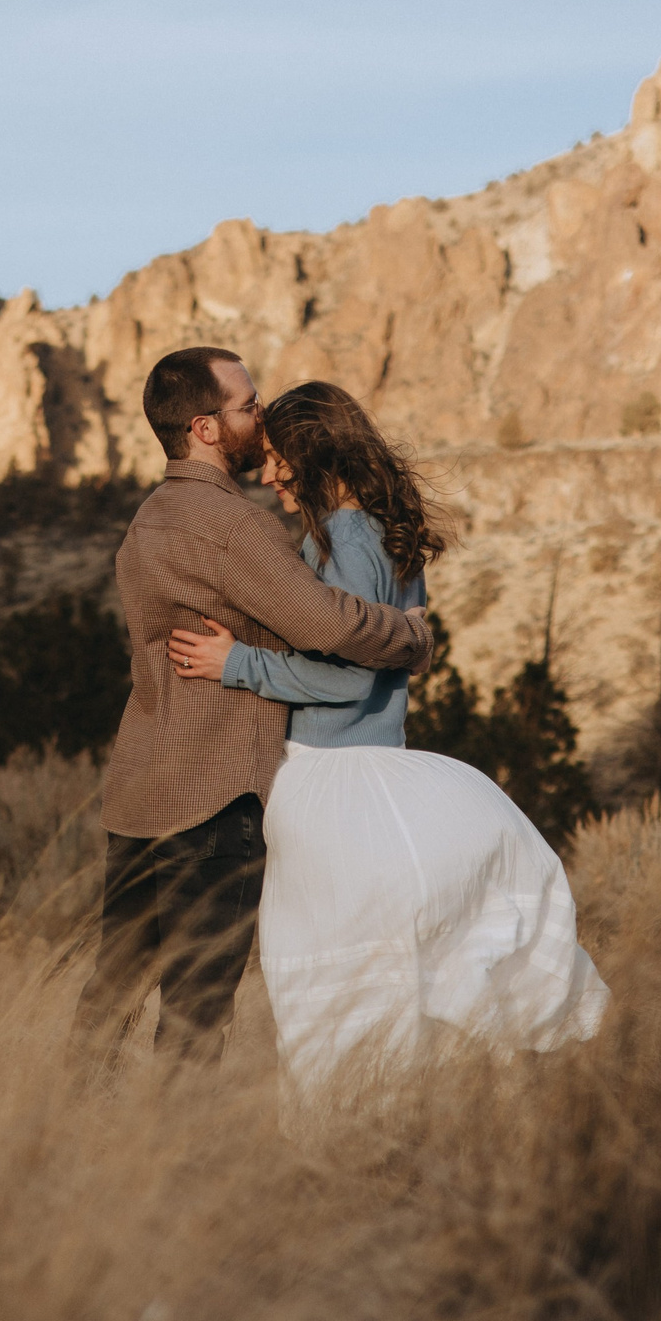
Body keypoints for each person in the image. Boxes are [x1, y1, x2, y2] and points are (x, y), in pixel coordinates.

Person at [167, 381, 607, 1091]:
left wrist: (236, 663)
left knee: (342, 980)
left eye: (281, 459)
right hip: (385, 770)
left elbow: (345, 681)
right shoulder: (380, 531)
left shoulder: (345, 536)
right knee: (411, 969)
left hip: (334, 781)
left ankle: (362, 1136)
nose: (270, 473)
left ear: (315, 455)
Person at [84, 348, 434, 1067]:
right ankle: (179, 1163)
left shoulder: (146, 521)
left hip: (139, 790)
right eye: (247, 406)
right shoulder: (233, 526)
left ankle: (65, 1140)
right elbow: (330, 626)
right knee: (197, 1011)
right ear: (208, 428)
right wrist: (411, 635)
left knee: (109, 994)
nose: (260, 415)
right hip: (216, 797)